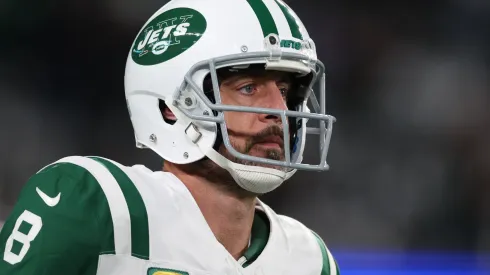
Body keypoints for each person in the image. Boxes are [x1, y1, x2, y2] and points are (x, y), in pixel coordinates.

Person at [0, 0, 339, 274]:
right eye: (248, 88)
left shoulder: (309, 259)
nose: (279, 110)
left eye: (284, 90)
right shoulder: (97, 204)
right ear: (171, 108)